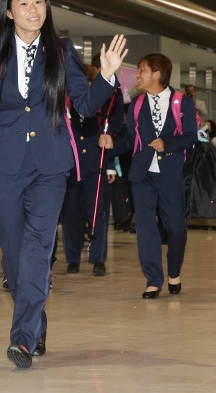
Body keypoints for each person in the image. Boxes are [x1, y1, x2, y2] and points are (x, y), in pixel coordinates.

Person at [0, 0, 127, 369]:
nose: (34, 9)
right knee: (15, 254)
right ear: (9, 11)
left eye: (39, 2)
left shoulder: (61, 49)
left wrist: (106, 77)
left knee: (38, 247)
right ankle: (36, 324)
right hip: (3, 164)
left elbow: (86, 106)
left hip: (50, 163)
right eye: (24, 3)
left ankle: (21, 339)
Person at [99, 54, 197, 299]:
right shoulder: (137, 104)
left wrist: (169, 143)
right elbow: (132, 141)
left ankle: (174, 271)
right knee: (145, 229)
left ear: (157, 74)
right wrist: (113, 143)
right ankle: (153, 280)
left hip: (171, 174)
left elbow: (191, 137)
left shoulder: (181, 101)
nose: (138, 75)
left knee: (175, 227)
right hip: (142, 175)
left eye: (142, 70)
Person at [61, 64, 124, 276]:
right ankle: (73, 257)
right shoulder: (67, 100)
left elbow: (112, 129)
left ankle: (98, 258)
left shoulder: (104, 100)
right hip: (72, 164)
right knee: (71, 213)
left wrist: (109, 165)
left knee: (98, 212)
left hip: (97, 162)